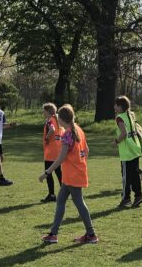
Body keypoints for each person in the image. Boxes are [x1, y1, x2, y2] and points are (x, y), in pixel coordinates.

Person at [40, 104, 98, 244]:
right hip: (72, 175)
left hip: (73, 176)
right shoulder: (78, 130)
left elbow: (61, 158)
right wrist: (80, 164)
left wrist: (47, 172)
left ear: (62, 119)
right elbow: (87, 150)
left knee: (79, 203)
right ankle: (53, 234)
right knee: (61, 201)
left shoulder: (67, 134)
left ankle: (91, 234)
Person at [114, 95, 142, 208]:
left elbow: (124, 133)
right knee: (134, 175)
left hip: (127, 151)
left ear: (120, 106)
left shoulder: (119, 117)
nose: (114, 107)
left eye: (116, 105)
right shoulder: (130, 115)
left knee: (126, 176)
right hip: (135, 148)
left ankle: (126, 198)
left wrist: (116, 141)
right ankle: (138, 196)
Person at [40, 102, 64, 202]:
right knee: (59, 173)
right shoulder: (58, 120)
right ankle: (65, 192)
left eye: (44, 111)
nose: (43, 113)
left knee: (48, 173)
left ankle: (52, 194)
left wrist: (46, 138)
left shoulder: (50, 121)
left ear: (48, 111)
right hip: (58, 151)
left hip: (50, 152)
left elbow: (52, 130)